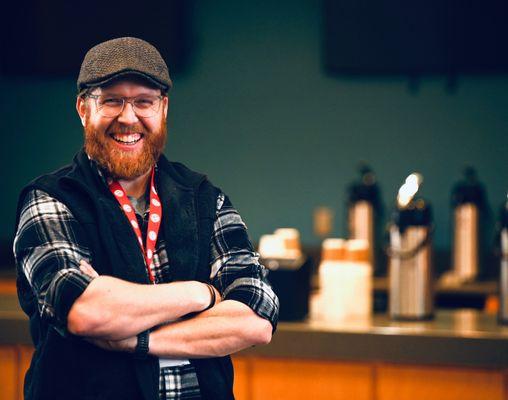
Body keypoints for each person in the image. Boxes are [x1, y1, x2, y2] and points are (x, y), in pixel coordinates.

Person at [13, 37, 279, 400]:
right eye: (111, 101)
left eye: (143, 102)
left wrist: (137, 339)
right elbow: (86, 312)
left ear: (163, 108)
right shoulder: (50, 199)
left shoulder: (205, 198)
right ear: (82, 109)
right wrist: (202, 293)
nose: (128, 117)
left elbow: (256, 319)